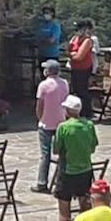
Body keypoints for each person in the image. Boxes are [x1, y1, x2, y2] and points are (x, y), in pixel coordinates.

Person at [53, 94, 98, 221]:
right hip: (85, 169)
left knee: (64, 208)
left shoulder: (63, 127)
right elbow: (93, 147)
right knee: (85, 205)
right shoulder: (89, 125)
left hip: (68, 170)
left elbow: (56, 149)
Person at [32, 59, 70, 193]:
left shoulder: (43, 85)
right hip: (61, 121)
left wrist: (40, 118)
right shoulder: (64, 83)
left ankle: (42, 182)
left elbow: (40, 105)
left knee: (45, 154)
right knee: (62, 153)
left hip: (46, 123)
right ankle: (61, 179)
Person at [68, 20, 96, 119]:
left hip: (84, 69)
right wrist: (72, 54)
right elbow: (68, 51)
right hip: (75, 68)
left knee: (82, 90)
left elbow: (80, 56)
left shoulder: (87, 40)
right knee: (75, 89)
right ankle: (77, 111)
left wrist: (73, 55)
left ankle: (87, 112)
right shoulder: (74, 39)